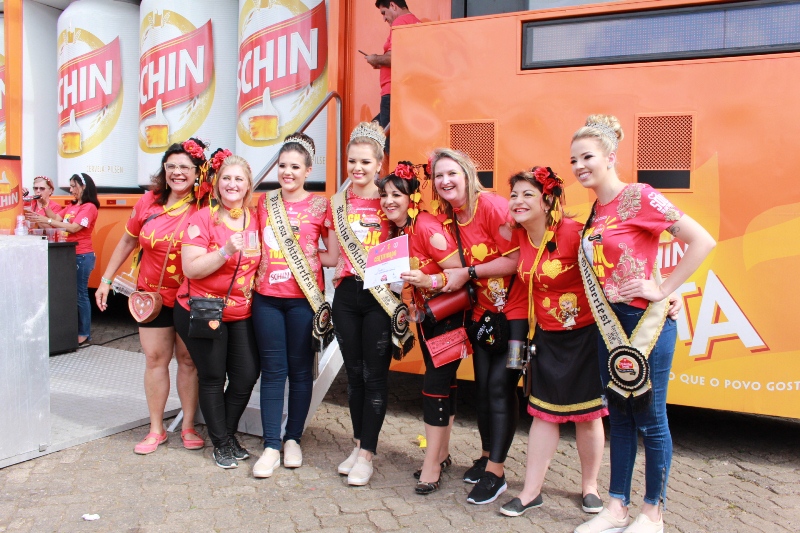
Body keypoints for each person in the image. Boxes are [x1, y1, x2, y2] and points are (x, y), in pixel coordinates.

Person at [571, 115, 715, 533]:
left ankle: (653, 513)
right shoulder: (596, 210)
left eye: (588, 157)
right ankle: (616, 507)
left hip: (645, 324)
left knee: (651, 418)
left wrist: (664, 289)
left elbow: (701, 240)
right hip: (608, 323)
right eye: (574, 159)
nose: (580, 165)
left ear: (610, 156)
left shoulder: (640, 196)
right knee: (619, 415)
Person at [499, 167, 607, 517]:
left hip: (585, 336)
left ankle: (589, 487)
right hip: (545, 338)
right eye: (514, 194)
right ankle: (531, 492)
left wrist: (666, 296)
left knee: (588, 416)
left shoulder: (575, 233)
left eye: (528, 194)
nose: (518, 201)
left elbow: (615, 265)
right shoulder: (520, 239)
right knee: (543, 415)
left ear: (548, 201)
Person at [94, 139, 209, 455]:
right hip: (150, 296)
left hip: (190, 296)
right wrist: (106, 279)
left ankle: (187, 425)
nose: (177, 172)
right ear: (164, 170)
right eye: (171, 166)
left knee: (188, 360)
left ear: (197, 172)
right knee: (156, 359)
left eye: (185, 167)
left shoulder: (205, 204)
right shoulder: (149, 202)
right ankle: (156, 428)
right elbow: (127, 242)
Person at [433, 148, 525, 505]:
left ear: (468, 172)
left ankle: (497, 473)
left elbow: (517, 258)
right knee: (485, 389)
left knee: (502, 388)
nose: (445, 181)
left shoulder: (492, 206)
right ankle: (487, 455)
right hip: (483, 317)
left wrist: (469, 273)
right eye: (439, 176)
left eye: (451, 173)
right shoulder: (453, 216)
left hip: (515, 314)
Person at [250, 133, 338, 478]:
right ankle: (271, 443)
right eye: (283, 165)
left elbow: (331, 255)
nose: (287, 172)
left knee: (301, 372)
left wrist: (305, 256)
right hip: (267, 300)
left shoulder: (321, 206)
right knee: (273, 372)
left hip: (304, 300)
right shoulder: (263, 203)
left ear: (308, 169)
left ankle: (293, 439)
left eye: (295, 167)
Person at [377, 161, 463, 495]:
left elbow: (458, 274)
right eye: (384, 195)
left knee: (434, 388)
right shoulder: (397, 231)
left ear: (412, 197)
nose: (388, 201)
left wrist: (428, 280)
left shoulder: (426, 226)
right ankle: (441, 454)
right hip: (427, 319)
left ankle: (431, 467)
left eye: (396, 194)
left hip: (448, 317)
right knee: (447, 384)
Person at [328, 121, 404, 487]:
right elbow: (330, 255)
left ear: (379, 164)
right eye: (352, 162)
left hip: (379, 299)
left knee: (375, 376)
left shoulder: (390, 200)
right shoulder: (337, 204)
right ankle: (358, 446)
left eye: (365, 162)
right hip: (346, 295)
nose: (357, 169)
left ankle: (368, 455)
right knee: (354, 375)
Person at [174, 154, 262, 470]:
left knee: (247, 374)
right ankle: (222, 442)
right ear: (217, 183)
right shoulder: (202, 219)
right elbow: (191, 268)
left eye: (239, 179)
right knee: (213, 377)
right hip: (202, 309)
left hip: (241, 312)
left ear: (249, 185)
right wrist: (225, 251)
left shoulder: (255, 219)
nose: (232, 184)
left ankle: (225, 432)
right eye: (226, 178)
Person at [27, 173, 99, 345]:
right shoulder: (72, 206)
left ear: (84, 187)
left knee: (81, 294)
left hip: (82, 255)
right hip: (69, 254)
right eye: (70, 186)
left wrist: (47, 219)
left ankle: (84, 332)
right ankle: (73, 329)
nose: (71, 190)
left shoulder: (89, 207)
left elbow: (74, 228)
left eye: (74, 186)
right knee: (71, 294)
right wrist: (44, 206)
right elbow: (57, 219)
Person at [365, 0, 421, 133]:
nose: (384, 18)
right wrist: (381, 64)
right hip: (406, 91)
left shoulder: (400, 22)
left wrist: (375, 58)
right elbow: (408, 59)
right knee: (371, 134)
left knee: (386, 141)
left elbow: (395, 57)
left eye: (384, 13)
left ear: (393, 6)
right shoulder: (416, 22)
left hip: (392, 92)